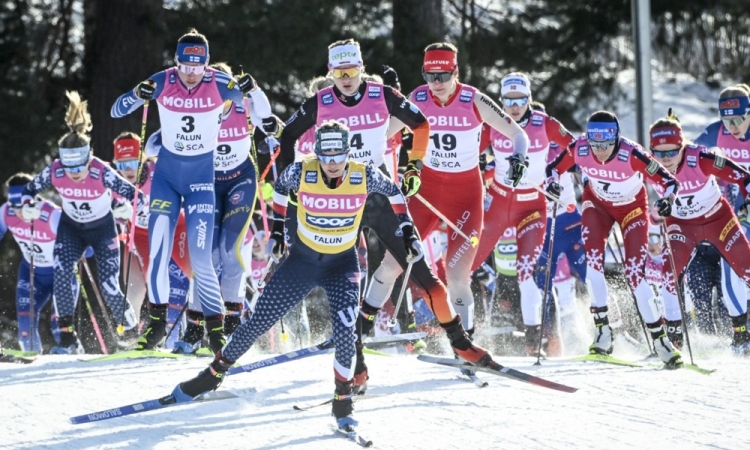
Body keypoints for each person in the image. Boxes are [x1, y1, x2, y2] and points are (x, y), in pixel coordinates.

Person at [171, 121, 424, 431]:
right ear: (317, 153)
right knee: (258, 321)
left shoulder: (364, 172)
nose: (332, 164)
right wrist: (277, 229)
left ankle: (343, 400)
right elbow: (279, 188)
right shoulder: (302, 170)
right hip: (302, 263)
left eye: (338, 156)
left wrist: (408, 233)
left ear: (347, 152)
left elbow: (396, 193)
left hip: (342, 265)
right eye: (325, 156)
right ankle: (211, 376)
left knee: (347, 331)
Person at [279, 39, 494, 393]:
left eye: (351, 71)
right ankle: (357, 367)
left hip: (378, 193)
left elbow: (421, 125)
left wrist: (413, 166)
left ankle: (460, 342)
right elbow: (287, 135)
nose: (346, 78)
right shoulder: (321, 101)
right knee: (346, 280)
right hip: (339, 198)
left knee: (420, 270)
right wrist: (287, 180)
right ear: (330, 72)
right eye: (338, 72)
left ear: (361, 68)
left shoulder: (383, 95)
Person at [110, 28, 273, 353]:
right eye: (185, 65)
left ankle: (216, 329)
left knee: (206, 255)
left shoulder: (220, 85)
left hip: (206, 180)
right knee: (157, 253)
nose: (190, 73)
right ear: (177, 62)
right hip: (169, 179)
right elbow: (118, 111)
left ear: (207, 64)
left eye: (197, 66)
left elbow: (266, 116)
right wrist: (136, 96)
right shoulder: (163, 80)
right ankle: (156, 326)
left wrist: (252, 89)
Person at [407, 44, 529, 341]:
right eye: (430, 75)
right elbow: (386, 132)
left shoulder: (474, 99)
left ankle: (465, 340)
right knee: (395, 258)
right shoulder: (417, 98)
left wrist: (519, 158)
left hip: (465, 196)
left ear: (455, 72)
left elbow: (518, 134)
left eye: (443, 75)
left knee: (457, 274)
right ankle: (372, 328)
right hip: (427, 192)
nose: (436, 82)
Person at [545, 110, 682, 365]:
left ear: (616, 139)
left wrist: (667, 201)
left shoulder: (632, 153)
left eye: (606, 145)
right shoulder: (580, 147)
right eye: (595, 144)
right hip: (597, 206)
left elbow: (670, 181)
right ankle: (602, 332)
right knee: (593, 264)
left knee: (634, 273)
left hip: (632, 209)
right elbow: (552, 169)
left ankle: (659, 338)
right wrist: (551, 184)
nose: (599, 151)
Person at [23, 91, 139, 354]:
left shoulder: (100, 170)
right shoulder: (56, 170)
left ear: (89, 159)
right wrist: (27, 207)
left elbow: (133, 193)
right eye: (69, 168)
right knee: (62, 272)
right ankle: (66, 339)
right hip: (71, 229)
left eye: (79, 168)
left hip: (102, 229)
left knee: (109, 284)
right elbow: (29, 190)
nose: (74, 174)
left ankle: (131, 332)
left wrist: (127, 206)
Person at [169, 62, 272, 354]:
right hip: (206, 184)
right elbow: (156, 145)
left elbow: (266, 115)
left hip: (240, 181)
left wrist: (253, 88)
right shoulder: (195, 109)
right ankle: (195, 327)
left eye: (222, 86)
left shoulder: (242, 105)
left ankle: (232, 321)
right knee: (204, 255)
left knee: (229, 250)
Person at [468, 73, 572, 355]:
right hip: (499, 204)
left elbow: (575, 148)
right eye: (508, 100)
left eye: (520, 100)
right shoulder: (493, 124)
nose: (514, 107)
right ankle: (461, 336)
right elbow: (469, 149)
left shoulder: (544, 123)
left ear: (529, 98)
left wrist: (562, 172)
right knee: (466, 266)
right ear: (501, 100)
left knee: (527, 275)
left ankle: (533, 343)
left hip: (532, 209)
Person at [648, 110, 750, 355]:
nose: (666, 159)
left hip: (718, 219)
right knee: (669, 274)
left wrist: (747, 200)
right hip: (681, 225)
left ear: (683, 146)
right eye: (659, 153)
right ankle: (673, 339)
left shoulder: (701, 158)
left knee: (745, 267)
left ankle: (741, 335)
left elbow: (743, 178)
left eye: (672, 151)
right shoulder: (648, 165)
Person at [111, 132, 192, 342]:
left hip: (175, 227)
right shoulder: (112, 182)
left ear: (144, 158)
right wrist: (119, 218)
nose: (127, 170)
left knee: (197, 273)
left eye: (133, 162)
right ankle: (132, 338)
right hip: (141, 235)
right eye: (122, 164)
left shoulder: (159, 171)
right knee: (138, 288)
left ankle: (207, 327)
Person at [691, 83, 750, 337]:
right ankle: (740, 334)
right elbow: (686, 156)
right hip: (730, 215)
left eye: (738, 119)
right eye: (727, 121)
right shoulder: (715, 133)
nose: (733, 127)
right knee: (731, 265)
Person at [0, 173, 71, 352]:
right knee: (25, 323)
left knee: (59, 324)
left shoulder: (52, 214)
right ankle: (31, 356)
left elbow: (82, 242)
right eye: (13, 205)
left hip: (61, 273)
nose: (18, 212)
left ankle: (71, 353)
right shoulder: (6, 212)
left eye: (22, 205)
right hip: (31, 273)